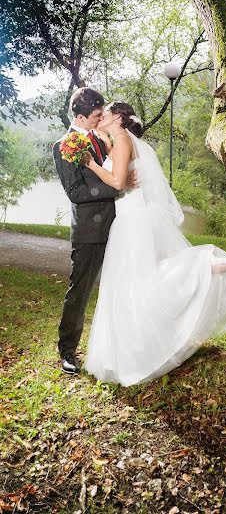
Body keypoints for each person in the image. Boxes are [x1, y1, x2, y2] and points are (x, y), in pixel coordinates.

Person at [83, 102, 226, 386]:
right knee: (129, 283)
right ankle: (131, 349)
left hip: (132, 219)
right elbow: (120, 174)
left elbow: (116, 183)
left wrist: (90, 163)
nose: (100, 117)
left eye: (105, 113)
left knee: (139, 280)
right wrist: (103, 143)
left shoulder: (124, 140)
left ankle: (200, 268)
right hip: (128, 216)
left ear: (117, 117)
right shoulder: (119, 140)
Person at [53, 88, 136, 375]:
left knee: (122, 286)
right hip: (89, 231)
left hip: (118, 225)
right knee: (81, 292)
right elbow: (75, 191)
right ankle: (67, 350)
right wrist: (116, 186)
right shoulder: (64, 145)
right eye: (97, 115)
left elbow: (115, 167)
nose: (101, 119)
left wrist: (123, 177)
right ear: (80, 116)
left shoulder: (99, 139)